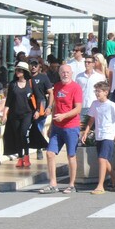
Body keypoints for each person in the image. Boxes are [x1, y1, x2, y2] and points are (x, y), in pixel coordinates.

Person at [39, 64, 83, 194]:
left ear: (71, 73)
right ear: (59, 73)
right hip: (57, 127)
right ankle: (53, 183)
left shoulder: (76, 88)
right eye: (63, 72)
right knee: (50, 153)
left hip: (71, 126)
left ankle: (71, 184)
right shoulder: (57, 87)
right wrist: (51, 125)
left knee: (71, 155)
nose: (65, 74)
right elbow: (55, 107)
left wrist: (64, 116)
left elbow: (78, 108)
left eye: (67, 72)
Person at [81, 81, 115, 194]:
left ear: (106, 92)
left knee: (101, 159)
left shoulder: (111, 105)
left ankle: (100, 185)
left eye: (99, 91)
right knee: (104, 160)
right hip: (98, 135)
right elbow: (91, 120)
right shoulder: (94, 104)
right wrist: (86, 132)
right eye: (96, 91)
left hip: (108, 135)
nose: (97, 93)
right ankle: (114, 177)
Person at [2, 62, 46, 168]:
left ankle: (26, 155)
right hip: (14, 114)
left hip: (27, 113)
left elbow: (39, 97)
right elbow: (8, 101)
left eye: (20, 71)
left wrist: (37, 110)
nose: (18, 72)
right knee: (17, 135)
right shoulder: (13, 84)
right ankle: (20, 157)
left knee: (23, 133)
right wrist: (4, 114)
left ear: (24, 72)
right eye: (17, 70)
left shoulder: (30, 83)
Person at [30, 59, 54, 160]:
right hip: (29, 105)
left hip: (41, 105)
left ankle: (39, 149)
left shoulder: (43, 77)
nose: (33, 67)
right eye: (32, 65)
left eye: (35, 65)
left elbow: (51, 93)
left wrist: (49, 107)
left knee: (39, 127)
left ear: (39, 66)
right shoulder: (26, 78)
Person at [76, 54, 107, 122]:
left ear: (93, 64)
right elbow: (76, 91)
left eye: (89, 62)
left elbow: (103, 91)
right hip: (82, 106)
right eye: (85, 62)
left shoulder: (99, 77)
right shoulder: (79, 77)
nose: (86, 64)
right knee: (82, 128)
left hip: (95, 106)